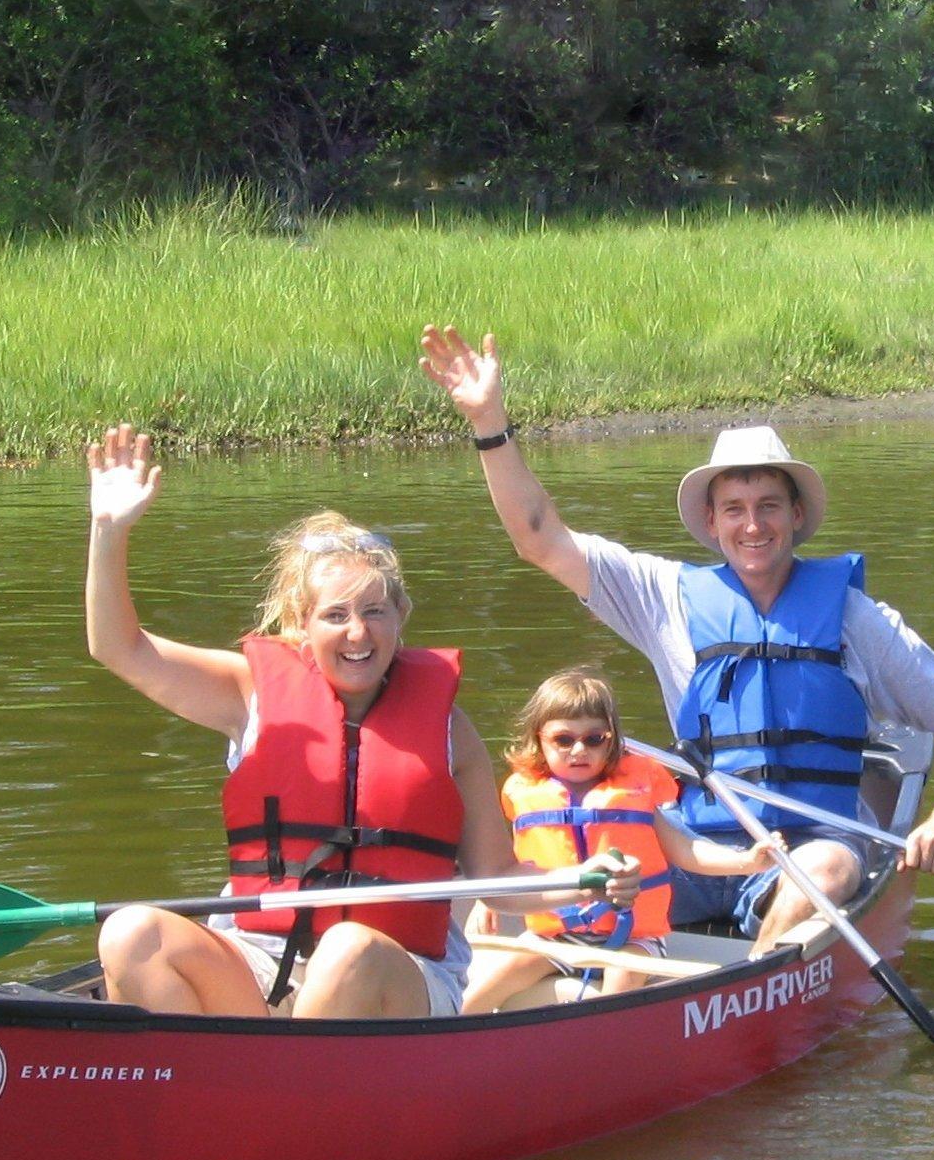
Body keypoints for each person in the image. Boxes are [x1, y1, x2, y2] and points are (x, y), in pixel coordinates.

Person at [418, 326, 934, 955]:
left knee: (823, 873)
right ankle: (544, 970)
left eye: (770, 505)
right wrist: (489, 421)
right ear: (712, 522)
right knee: (594, 858)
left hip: (809, 845)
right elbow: (539, 538)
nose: (753, 525)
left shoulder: (857, 619)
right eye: (735, 508)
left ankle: (748, 986)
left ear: (796, 516)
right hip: (697, 844)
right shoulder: (665, 596)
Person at [84, 422, 639, 1020]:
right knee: (132, 932)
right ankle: (218, 1093)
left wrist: (585, 878)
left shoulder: (450, 729)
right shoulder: (247, 694)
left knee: (348, 951)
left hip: (397, 973)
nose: (357, 632)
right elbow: (119, 649)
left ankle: (278, 1094)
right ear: (301, 625)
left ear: (400, 616)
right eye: (336, 615)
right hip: (261, 965)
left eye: (375, 611)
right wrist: (108, 532)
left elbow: (495, 874)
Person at [463, 669, 785, 1012]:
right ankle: (455, 1047)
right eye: (563, 740)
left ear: (612, 740)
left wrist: (748, 861)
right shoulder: (527, 795)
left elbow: (687, 850)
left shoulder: (634, 794)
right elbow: (509, 863)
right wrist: (487, 901)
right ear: (539, 739)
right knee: (488, 986)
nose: (578, 750)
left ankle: (605, 1051)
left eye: (594, 739)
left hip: (632, 937)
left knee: (619, 985)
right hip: (557, 935)